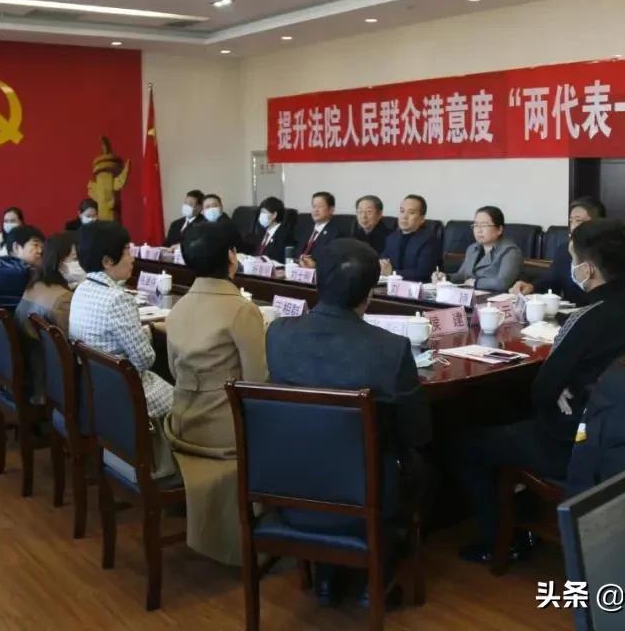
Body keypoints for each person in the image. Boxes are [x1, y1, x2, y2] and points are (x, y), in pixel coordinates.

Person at [458, 219, 625, 563]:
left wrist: (569, 390)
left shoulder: (586, 318)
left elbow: (541, 391)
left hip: (575, 444)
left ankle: (499, 541)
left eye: (573, 259)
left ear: (588, 269)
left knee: (468, 444)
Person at [267, 238, 432, 604]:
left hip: (287, 486)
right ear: (370, 293)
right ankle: (378, 572)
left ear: (315, 281)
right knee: (417, 466)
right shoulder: (390, 348)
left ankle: (328, 574)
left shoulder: (278, 334)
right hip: (364, 494)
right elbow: (418, 432)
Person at [162, 219, 268, 566]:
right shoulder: (241, 309)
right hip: (223, 434)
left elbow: (173, 369)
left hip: (181, 424)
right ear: (231, 257)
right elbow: (256, 385)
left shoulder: (179, 306)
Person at [69, 220, 176, 478]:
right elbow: (145, 360)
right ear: (107, 261)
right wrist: (147, 335)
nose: (133, 257)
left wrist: (144, 331)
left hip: (99, 389)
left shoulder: (82, 288)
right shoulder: (118, 299)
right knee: (188, 399)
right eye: (127, 250)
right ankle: (179, 471)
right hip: (130, 392)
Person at [509, 196, 606, 304]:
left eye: (579, 221)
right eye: (571, 221)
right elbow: (551, 280)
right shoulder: (564, 249)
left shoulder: (609, 251)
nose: (573, 226)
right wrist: (531, 287)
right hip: (572, 310)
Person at [435, 206, 522, 292]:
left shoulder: (510, 251)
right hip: (470, 295)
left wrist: (475, 283)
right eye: (476, 225)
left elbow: (502, 283)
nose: (479, 230)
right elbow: (463, 275)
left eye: (484, 225)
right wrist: (446, 277)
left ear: (499, 229)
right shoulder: (473, 248)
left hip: (494, 298)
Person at [16, 231, 77, 337]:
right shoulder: (64, 299)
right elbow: (72, 341)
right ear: (58, 262)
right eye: (75, 259)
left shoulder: (34, 285)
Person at [0, 225, 45, 312]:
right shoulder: (20, 273)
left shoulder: (3, 266)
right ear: (16, 247)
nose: (40, 251)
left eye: (42, 247)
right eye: (35, 245)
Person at [380, 195, 440, 283]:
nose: (404, 216)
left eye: (411, 213)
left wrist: (392, 273)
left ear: (422, 219)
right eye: (402, 211)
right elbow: (383, 262)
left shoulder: (429, 240)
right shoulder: (392, 238)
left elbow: (424, 273)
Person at [294, 191, 347, 268]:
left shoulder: (336, 233)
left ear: (331, 210)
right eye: (314, 206)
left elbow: (334, 262)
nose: (316, 210)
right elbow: (296, 253)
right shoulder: (305, 228)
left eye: (320, 206)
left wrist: (316, 265)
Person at [251, 196, 295, 262]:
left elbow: (280, 259)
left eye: (264, 212)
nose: (261, 215)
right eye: (261, 212)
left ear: (274, 215)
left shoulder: (285, 235)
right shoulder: (262, 232)